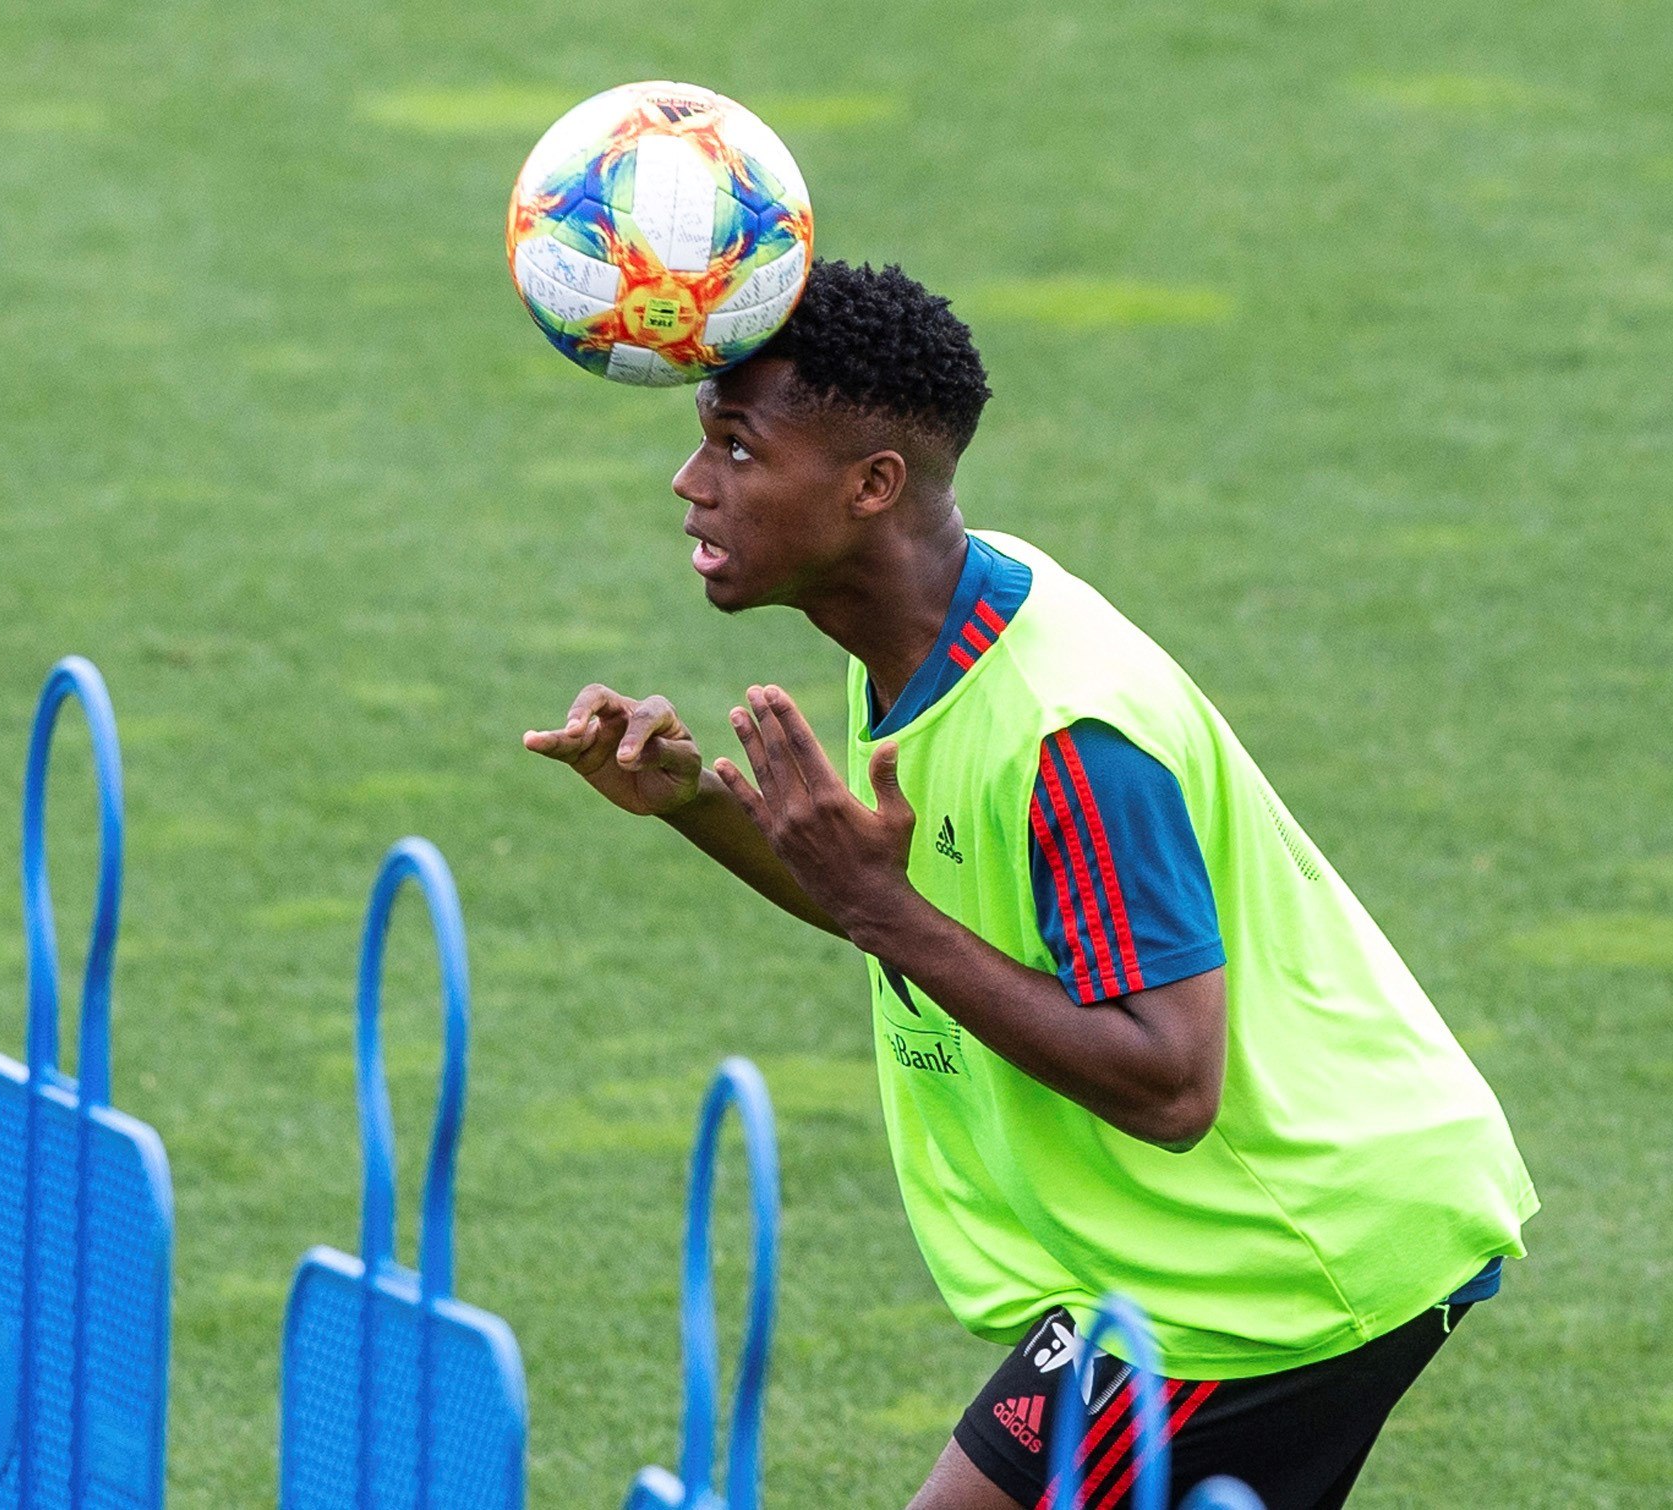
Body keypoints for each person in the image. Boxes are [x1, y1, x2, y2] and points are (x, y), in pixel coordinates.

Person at [522, 260, 1536, 1509]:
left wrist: (883, 906)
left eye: (736, 447)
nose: (690, 483)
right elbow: (905, 908)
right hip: (1203, 1252)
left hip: (1272, 1263)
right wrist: (697, 804)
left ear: (871, 485)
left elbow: (1169, 1079)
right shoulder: (925, 626)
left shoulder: (1070, 731)